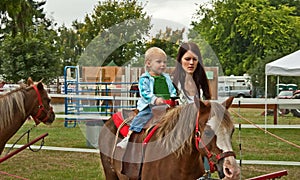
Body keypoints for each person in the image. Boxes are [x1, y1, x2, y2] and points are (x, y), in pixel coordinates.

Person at [117, 47, 177, 149]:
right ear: (149, 64)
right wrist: (154, 99)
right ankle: (129, 135)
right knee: (143, 116)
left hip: (166, 105)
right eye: (159, 62)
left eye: (165, 62)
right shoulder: (145, 78)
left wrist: (174, 97)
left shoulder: (166, 77)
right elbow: (145, 92)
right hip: (150, 105)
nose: (163, 65)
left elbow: (172, 89)